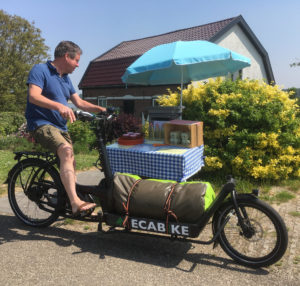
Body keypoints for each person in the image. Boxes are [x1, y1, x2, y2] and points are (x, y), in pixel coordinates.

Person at [25, 41, 106, 216]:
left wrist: (102, 109)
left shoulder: (65, 79)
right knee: (67, 152)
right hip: (41, 124)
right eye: (76, 60)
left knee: (71, 161)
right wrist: (59, 106)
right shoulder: (40, 70)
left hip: (60, 127)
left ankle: (69, 199)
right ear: (66, 56)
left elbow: (79, 103)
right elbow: (33, 96)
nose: (78, 64)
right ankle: (75, 202)